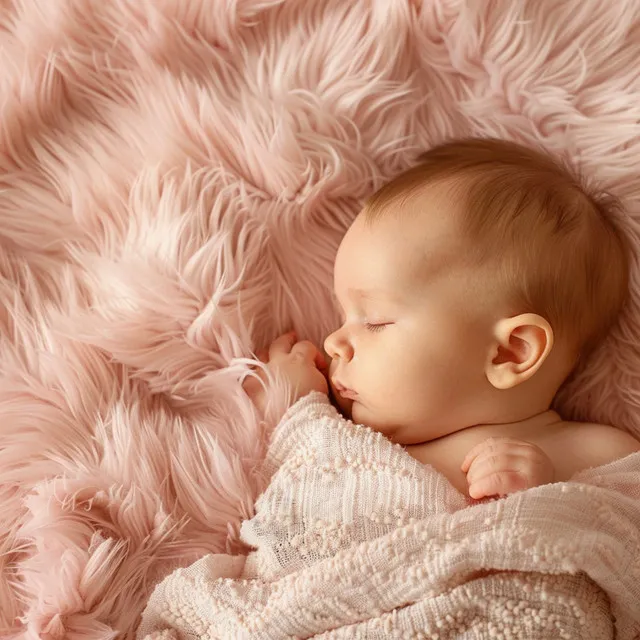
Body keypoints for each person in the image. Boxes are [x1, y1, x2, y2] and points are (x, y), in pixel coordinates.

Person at [245, 138, 640, 500]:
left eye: (376, 320)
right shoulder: (344, 437)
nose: (333, 342)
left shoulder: (598, 453)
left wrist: (549, 494)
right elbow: (298, 509)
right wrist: (290, 407)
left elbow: (623, 544)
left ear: (509, 352)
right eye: (344, 315)